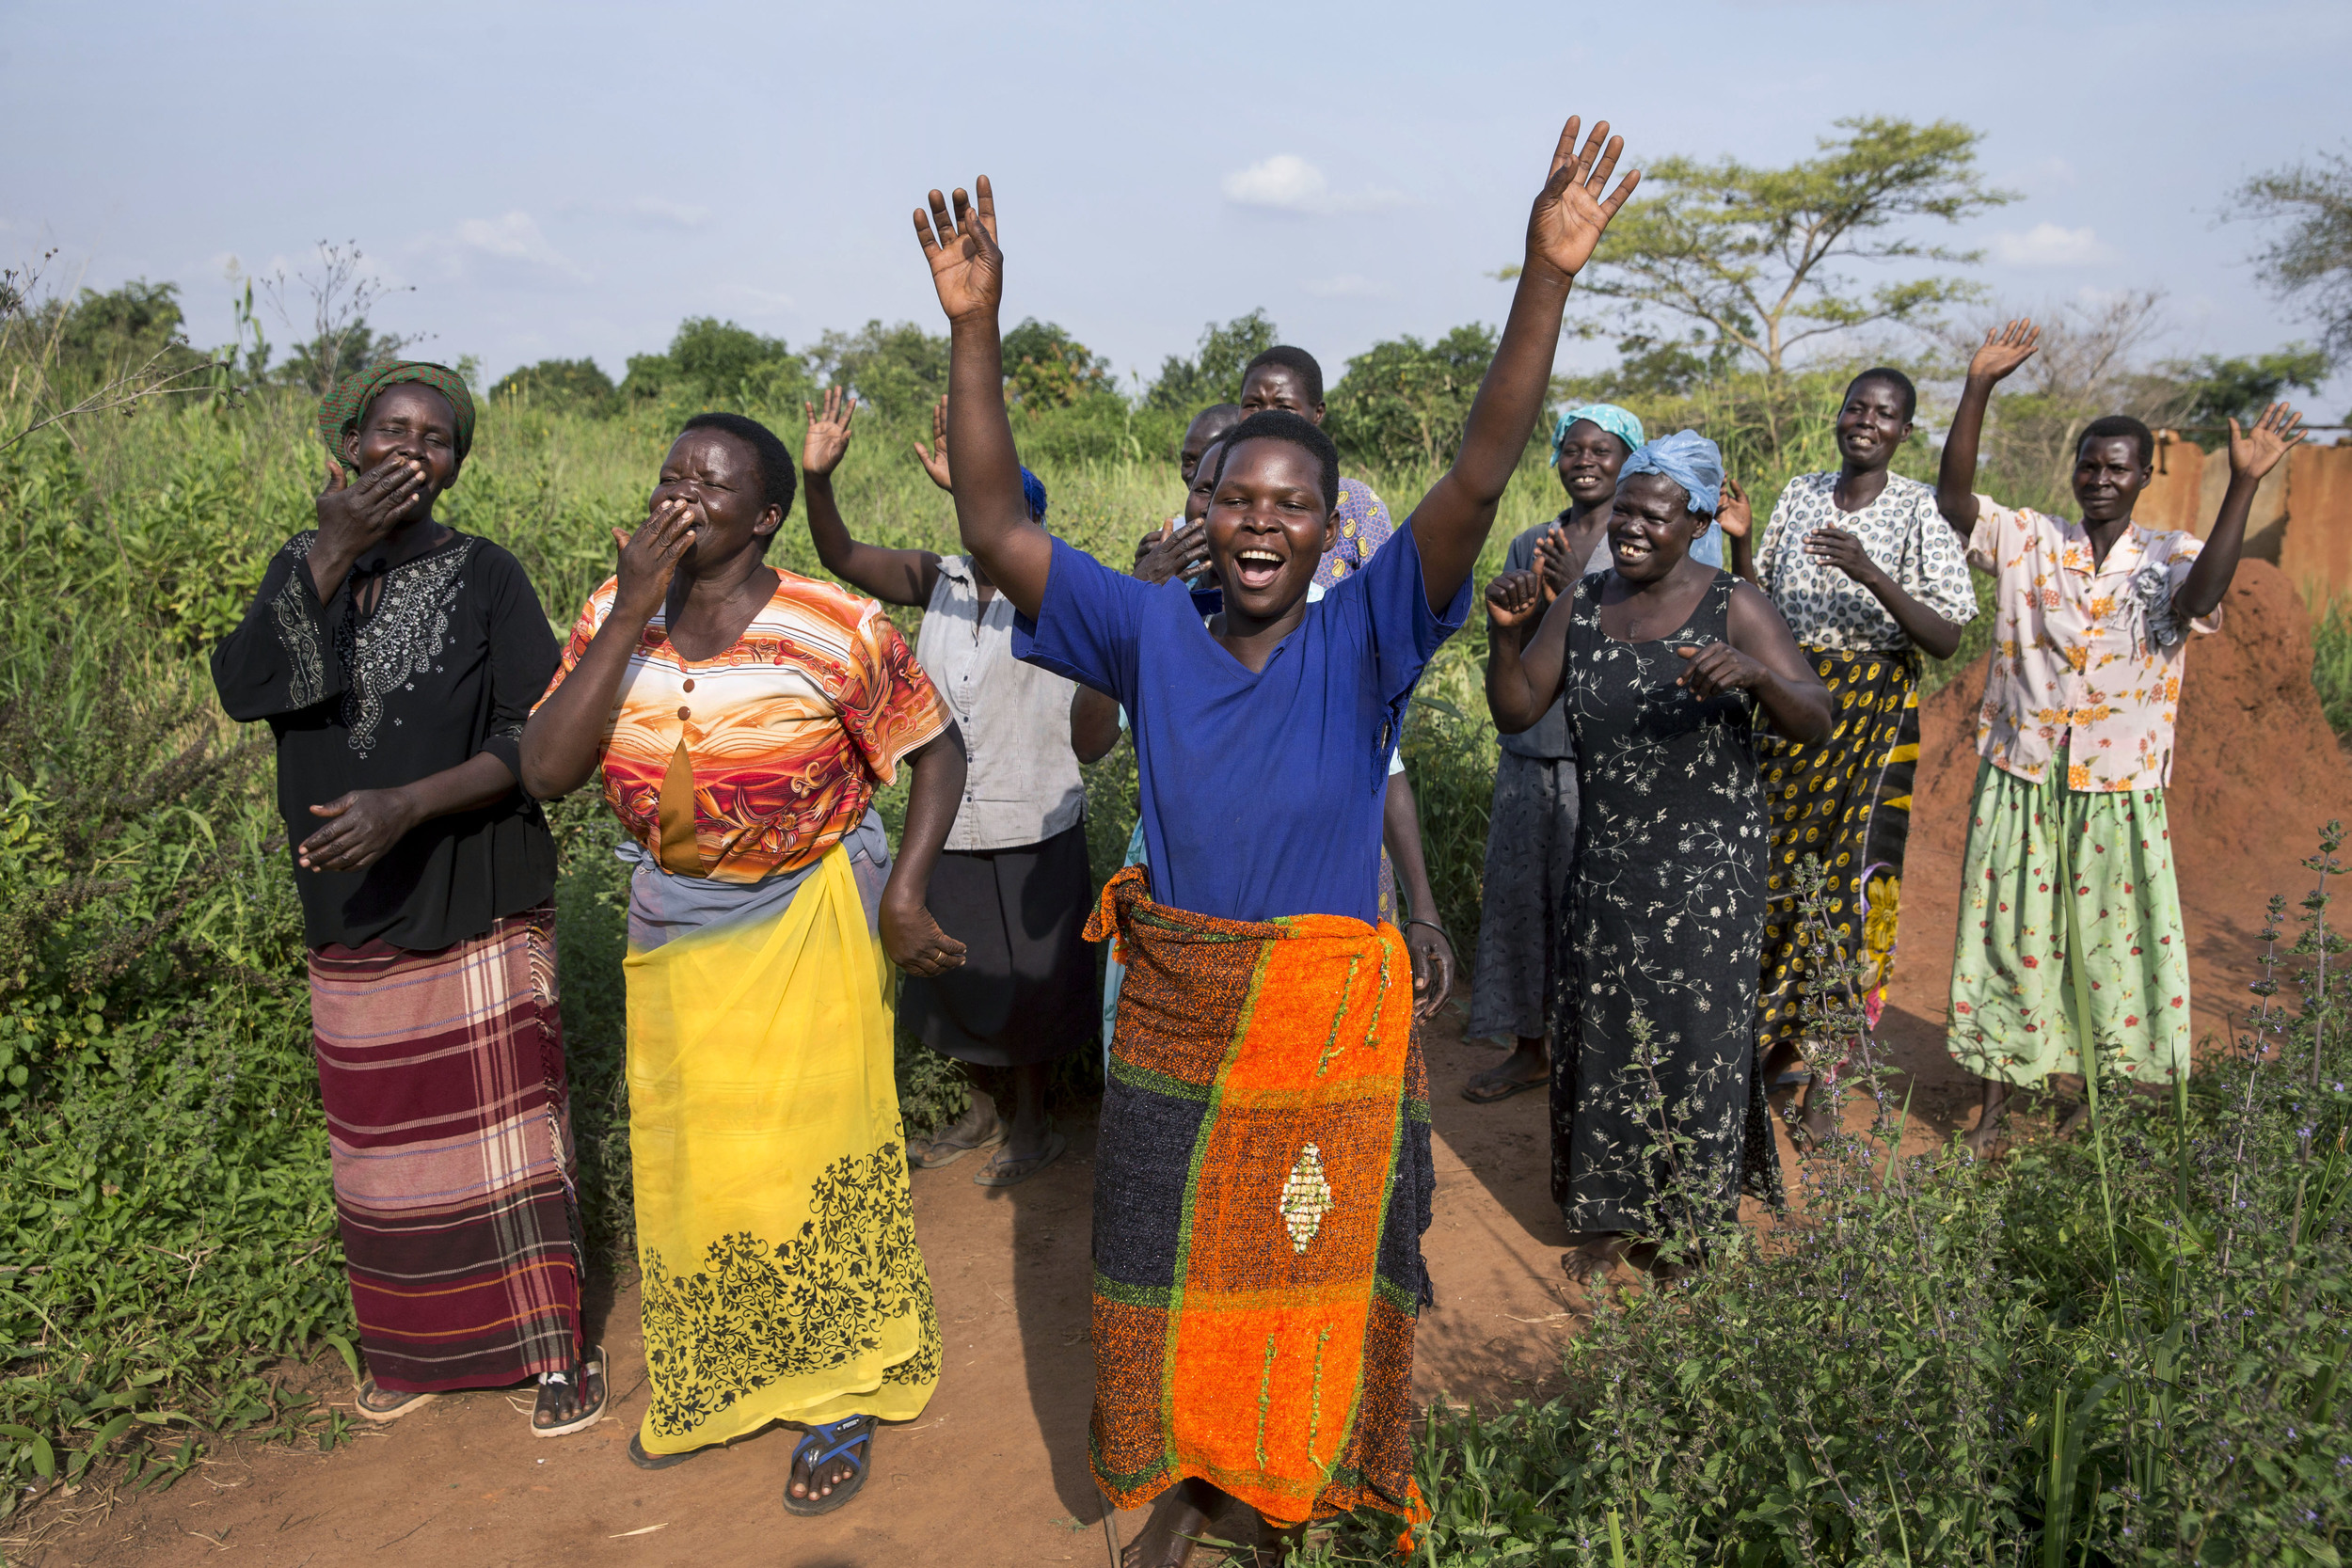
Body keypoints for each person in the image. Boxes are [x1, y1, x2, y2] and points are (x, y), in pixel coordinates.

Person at [909, 113, 1640, 1561]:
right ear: (1205, 511)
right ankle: (1191, 1478)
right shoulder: (1146, 628)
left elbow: (1483, 477)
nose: (1257, 521)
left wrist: (1544, 276)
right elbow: (993, 517)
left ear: (1327, 531)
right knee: (1165, 1264)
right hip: (1180, 1007)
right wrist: (976, 324)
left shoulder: (1368, 633)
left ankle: (1274, 1488)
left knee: (1302, 1262)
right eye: (1236, 498)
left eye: (1289, 505)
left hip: (1318, 1023)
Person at [518, 410, 967, 1514]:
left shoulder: (834, 623)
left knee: (811, 1150)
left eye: (709, 486)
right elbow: (545, 768)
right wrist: (629, 605)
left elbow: (935, 746)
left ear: (766, 516)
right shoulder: (611, 616)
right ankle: (722, 1370)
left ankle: (835, 1391)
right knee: (703, 1153)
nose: (680, 497)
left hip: (812, 908)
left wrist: (905, 891)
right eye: (670, 474)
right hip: (675, 920)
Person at [209, 362, 604, 1436]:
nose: (411, 452)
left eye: (436, 439)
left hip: (474, 882)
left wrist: (408, 804)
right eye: (392, 430)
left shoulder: (484, 574)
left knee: (508, 1136)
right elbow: (247, 688)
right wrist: (332, 549)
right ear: (349, 447)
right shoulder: (302, 567)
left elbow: (535, 735)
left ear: (455, 467)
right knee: (385, 1146)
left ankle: (551, 1349)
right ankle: (413, 1346)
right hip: (347, 894)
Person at [1933, 321, 2305, 1157]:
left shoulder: (2171, 555)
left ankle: (2094, 1100)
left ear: (2145, 475)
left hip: (2117, 787)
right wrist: (1977, 389)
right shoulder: (2030, 540)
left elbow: (2202, 598)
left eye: (2117, 467)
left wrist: (2242, 486)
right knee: (2010, 939)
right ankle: (1996, 1108)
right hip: (2023, 773)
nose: (2100, 479)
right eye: (2089, 465)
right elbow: (1955, 505)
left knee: (2105, 945)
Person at [1486, 430, 1830, 1284]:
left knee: (1698, 1041)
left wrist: (1755, 675)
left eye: (1654, 514)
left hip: (1711, 873)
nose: (1632, 527)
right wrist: (1504, 636)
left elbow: (1816, 719)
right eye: (1627, 512)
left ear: (1699, 520)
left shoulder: (1736, 604)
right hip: (1607, 862)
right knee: (1605, 1034)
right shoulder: (1585, 601)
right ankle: (1608, 1220)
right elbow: (1519, 707)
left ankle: (1690, 1229)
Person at [803, 387, 1102, 1184]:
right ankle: (980, 1114)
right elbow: (842, 555)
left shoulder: (1061, 590)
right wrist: (818, 480)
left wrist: (978, 485)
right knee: (956, 974)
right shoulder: (944, 579)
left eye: (1002, 514)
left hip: (1034, 820)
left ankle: (1033, 1126)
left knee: (1031, 987)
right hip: (953, 825)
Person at [1719, 368, 1977, 1145]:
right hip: (1791, 705)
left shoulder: (1918, 512)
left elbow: (1946, 636)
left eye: (1886, 413)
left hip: (1873, 721)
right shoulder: (1799, 493)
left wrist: (1871, 571)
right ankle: (1760, 1057)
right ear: (1840, 416)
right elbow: (1756, 608)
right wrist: (1740, 543)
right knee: (1767, 880)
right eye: (1857, 407)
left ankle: (1826, 1077)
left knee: (1854, 893)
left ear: (1904, 431)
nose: (1867, 420)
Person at [1462, 402, 1643, 1104]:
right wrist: (1527, 602)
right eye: (1574, 449)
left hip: (1602, 755)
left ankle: (1591, 1054)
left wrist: (1574, 585)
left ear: (1630, 460)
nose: (1586, 460)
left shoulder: (1641, 544)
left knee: (1593, 908)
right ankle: (1528, 1047)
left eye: (1602, 449)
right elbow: (1521, 649)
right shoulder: (1531, 541)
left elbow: (1636, 647)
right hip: (1531, 748)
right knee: (1519, 900)